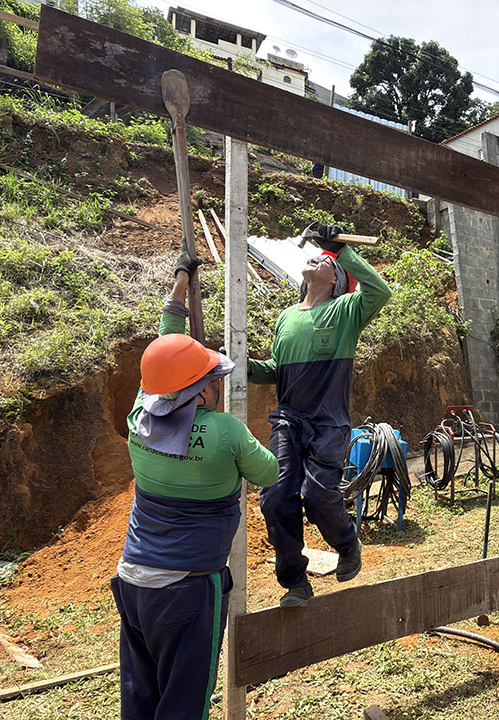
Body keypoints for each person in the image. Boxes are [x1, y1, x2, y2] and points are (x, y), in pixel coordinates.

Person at [111, 252, 280, 720]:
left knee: (140, 698)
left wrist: (181, 281)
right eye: (211, 378)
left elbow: (165, 352)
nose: (217, 384)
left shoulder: (140, 414)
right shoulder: (227, 433)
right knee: (184, 707)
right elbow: (269, 473)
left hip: (133, 580)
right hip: (187, 590)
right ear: (201, 391)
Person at [249, 224, 391, 607]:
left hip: (328, 422)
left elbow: (380, 291)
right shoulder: (286, 318)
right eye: (317, 255)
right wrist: (245, 367)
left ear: (336, 281)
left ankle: (346, 543)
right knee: (275, 498)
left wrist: (341, 249)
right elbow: (275, 368)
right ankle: (295, 582)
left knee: (317, 496)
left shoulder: (345, 311)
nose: (317, 258)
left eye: (326, 260)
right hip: (289, 421)